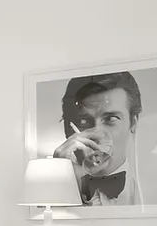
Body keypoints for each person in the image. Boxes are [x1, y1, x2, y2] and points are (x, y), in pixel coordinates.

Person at [53, 72, 142, 206]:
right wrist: (61, 178)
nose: (97, 134)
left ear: (133, 123)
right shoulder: (49, 190)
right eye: (83, 121)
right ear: (68, 129)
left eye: (110, 119)